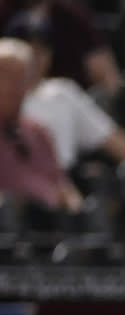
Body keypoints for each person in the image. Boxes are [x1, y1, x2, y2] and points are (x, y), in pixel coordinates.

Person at [11, 17, 125, 175]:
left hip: (58, 186)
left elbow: (115, 141)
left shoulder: (63, 92)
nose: (35, 57)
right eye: (28, 48)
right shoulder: (5, 96)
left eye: (42, 49)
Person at [0, 37, 77, 209]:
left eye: (21, 77)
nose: (14, 86)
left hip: (51, 225)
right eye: (5, 76)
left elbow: (64, 188)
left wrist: (77, 212)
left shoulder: (38, 132)